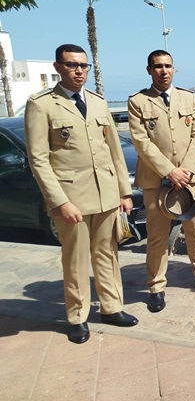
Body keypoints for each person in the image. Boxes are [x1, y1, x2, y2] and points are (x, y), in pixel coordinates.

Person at [24, 44, 138, 344]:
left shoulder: (98, 102)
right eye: (72, 64)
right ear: (57, 67)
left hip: (106, 195)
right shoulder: (41, 104)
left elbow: (114, 150)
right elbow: (38, 159)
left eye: (83, 65)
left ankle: (112, 308)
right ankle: (77, 316)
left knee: (108, 254)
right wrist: (60, 201)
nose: (79, 70)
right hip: (71, 198)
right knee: (75, 259)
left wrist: (124, 192)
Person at [128, 50, 195, 314]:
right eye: (158, 66)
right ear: (149, 70)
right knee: (157, 235)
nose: (164, 71)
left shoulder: (188, 98)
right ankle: (156, 286)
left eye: (168, 66)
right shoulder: (138, 101)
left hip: (189, 178)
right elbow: (141, 142)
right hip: (156, 180)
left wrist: (185, 171)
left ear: (174, 68)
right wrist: (170, 171)